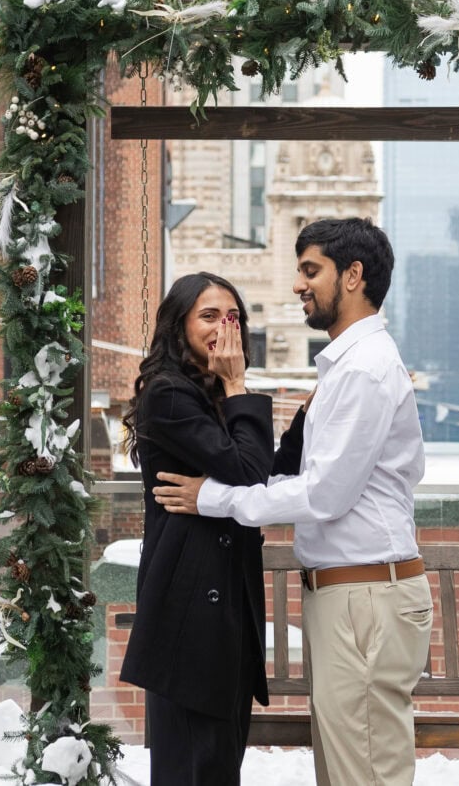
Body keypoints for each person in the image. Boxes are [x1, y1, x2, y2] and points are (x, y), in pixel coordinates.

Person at [153, 218, 433, 786]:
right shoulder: (347, 368)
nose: (298, 285)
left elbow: (323, 494)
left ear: (352, 276)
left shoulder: (364, 369)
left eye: (310, 271)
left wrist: (214, 498)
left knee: (366, 773)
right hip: (352, 595)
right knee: (349, 768)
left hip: (364, 596)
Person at [119, 272, 274, 786]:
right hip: (189, 610)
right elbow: (247, 472)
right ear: (178, 324)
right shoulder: (168, 395)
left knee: (217, 763)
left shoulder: (207, 394)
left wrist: (301, 425)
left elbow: (258, 471)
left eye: (232, 316)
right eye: (209, 315)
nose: (223, 327)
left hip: (225, 605)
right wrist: (236, 386)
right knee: (193, 765)